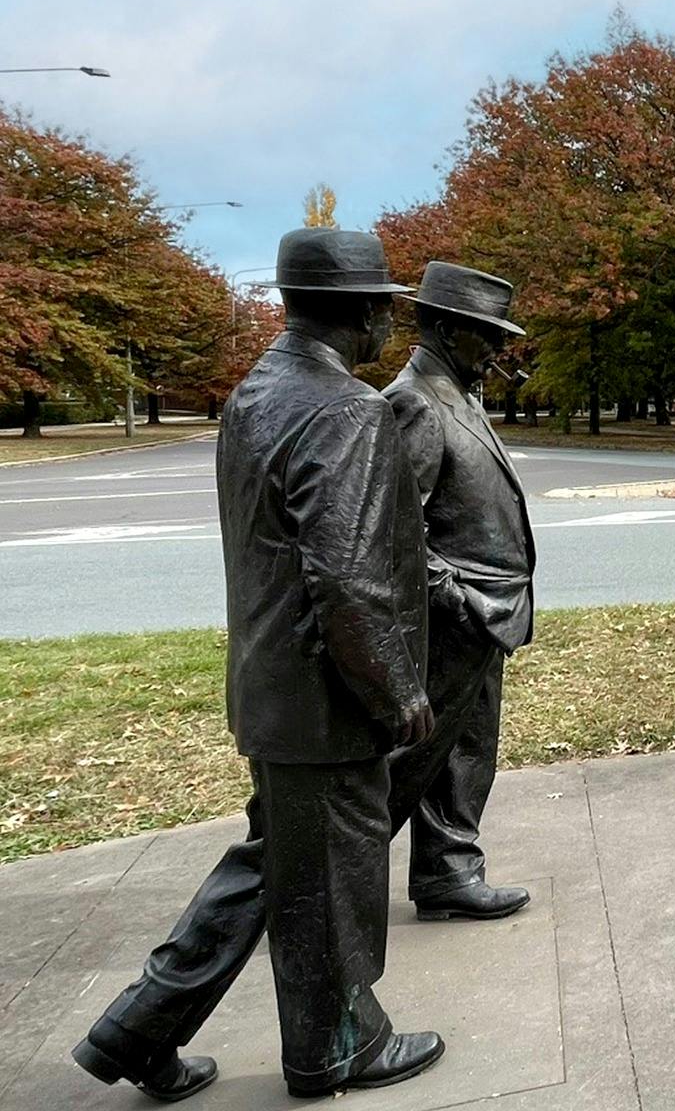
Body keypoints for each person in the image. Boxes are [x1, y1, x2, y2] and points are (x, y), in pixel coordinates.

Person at [72, 230, 446, 1101]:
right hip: (326, 700)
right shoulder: (343, 407)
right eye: (384, 303)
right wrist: (396, 690)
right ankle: (336, 1047)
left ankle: (139, 1027)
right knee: (335, 883)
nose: (390, 318)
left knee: (272, 866)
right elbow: (347, 575)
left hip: (274, 688)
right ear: (362, 310)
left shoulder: (255, 393)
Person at [383, 262, 538, 920]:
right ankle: (304, 887)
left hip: (484, 616)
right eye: (488, 335)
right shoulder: (416, 400)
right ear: (447, 328)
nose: (499, 350)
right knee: (403, 766)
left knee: (465, 752)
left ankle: (448, 872)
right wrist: (461, 601)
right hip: (457, 616)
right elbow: (395, 534)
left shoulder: (456, 392)